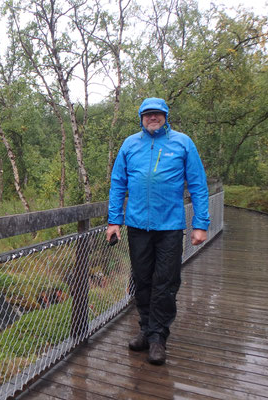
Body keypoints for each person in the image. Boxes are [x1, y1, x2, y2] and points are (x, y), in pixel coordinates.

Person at [106, 97, 210, 365]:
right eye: (148, 114)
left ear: (166, 116)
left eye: (158, 114)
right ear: (141, 118)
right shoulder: (130, 145)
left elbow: (198, 185)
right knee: (142, 280)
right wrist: (114, 221)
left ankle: (158, 339)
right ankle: (145, 329)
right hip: (138, 226)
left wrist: (201, 223)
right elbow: (118, 184)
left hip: (170, 227)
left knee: (165, 283)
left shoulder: (183, 143)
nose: (153, 118)